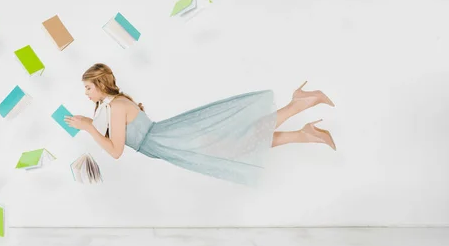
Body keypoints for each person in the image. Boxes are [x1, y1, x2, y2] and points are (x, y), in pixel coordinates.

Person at [64, 63, 336, 185]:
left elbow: (116, 151)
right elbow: (107, 138)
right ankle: (303, 132)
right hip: (170, 139)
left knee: (239, 141)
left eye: (88, 88)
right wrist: (88, 124)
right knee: (241, 145)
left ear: (100, 85)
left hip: (173, 139)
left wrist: (88, 127)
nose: (86, 93)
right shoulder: (109, 106)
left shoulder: (117, 106)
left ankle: (297, 105)